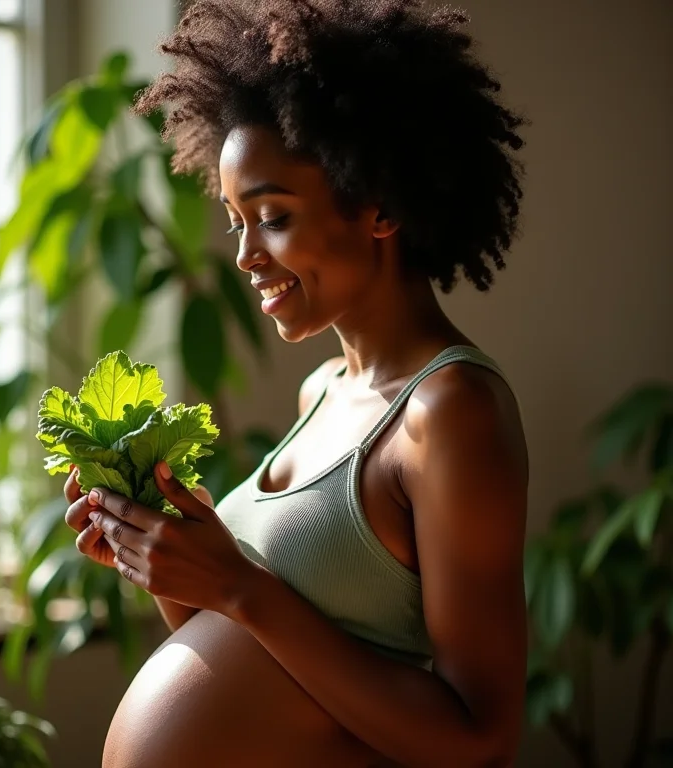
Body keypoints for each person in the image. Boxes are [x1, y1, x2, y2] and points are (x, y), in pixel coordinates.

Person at [64, 1, 529, 765]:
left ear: (376, 205)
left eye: (272, 216)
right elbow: (276, 666)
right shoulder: (322, 391)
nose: (245, 255)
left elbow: (480, 740)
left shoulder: (450, 411)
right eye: (235, 221)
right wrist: (170, 555)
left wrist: (241, 586)